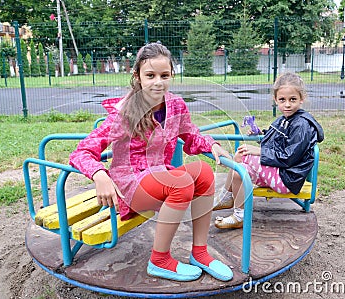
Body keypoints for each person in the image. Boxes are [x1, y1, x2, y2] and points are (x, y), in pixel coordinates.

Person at [69, 42, 233, 282]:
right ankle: (160, 260)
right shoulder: (125, 112)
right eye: (150, 75)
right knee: (181, 183)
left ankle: (200, 252)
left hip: (159, 175)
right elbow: (81, 152)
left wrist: (212, 145)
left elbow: (191, 134)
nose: (158, 82)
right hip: (130, 185)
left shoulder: (175, 105)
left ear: (172, 76)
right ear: (137, 77)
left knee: (204, 172)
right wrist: (99, 174)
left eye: (164, 75)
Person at [214, 72, 324, 229]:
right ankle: (240, 216)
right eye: (282, 100)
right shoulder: (284, 119)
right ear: (276, 100)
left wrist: (258, 151)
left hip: (287, 179)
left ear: (302, 99)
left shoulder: (302, 125)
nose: (287, 104)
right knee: (239, 172)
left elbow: (288, 158)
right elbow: (277, 139)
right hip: (277, 173)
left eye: (292, 99)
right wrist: (260, 134)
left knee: (244, 156)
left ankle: (226, 195)